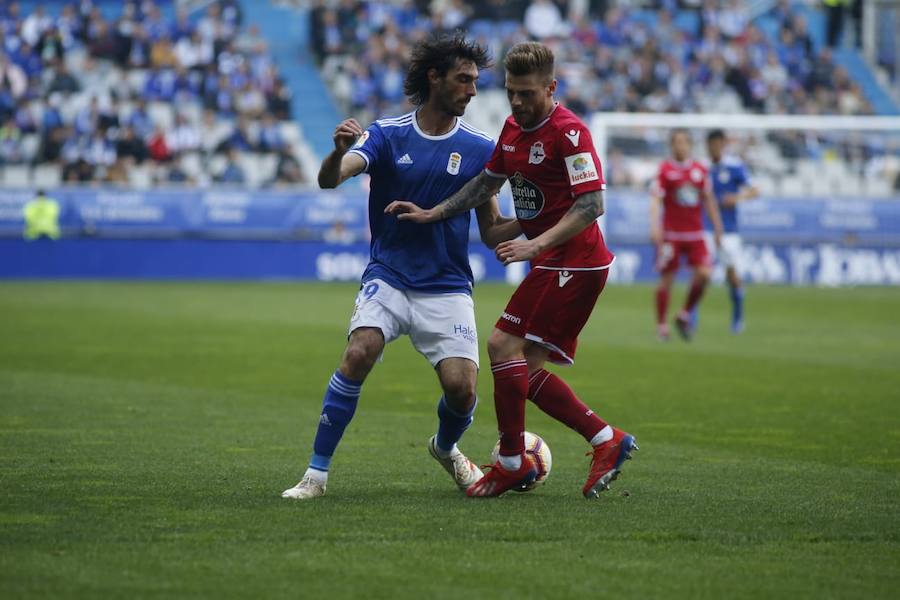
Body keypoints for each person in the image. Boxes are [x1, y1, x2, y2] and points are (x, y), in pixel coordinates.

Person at [386, 42, 637, 499]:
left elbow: (592, 204)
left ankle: (509, 462)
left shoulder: (570, 133)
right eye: (511, 93)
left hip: (574, 261)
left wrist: (534, 244)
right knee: (524, 371)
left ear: (551, 88)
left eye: (526, 94)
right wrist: (434, 213)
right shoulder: (512, 129)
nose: (517, 103)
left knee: (502, 345)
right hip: (554, 260)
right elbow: (486, 182)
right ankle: (607, 440)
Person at [281, 34, 517, 500]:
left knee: (461, 390)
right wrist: (337, 150)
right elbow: (331, 179)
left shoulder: (479, 149)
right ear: (435, 78)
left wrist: (538, 221)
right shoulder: (387, 134)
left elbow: (490, 232)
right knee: (358, 352)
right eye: (463, 80)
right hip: (388, 275)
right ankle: (315, 475)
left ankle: (446, 448)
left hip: (447, 285)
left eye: (475, 81)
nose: (473, 90)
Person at [650, 129, 724, 341]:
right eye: (676, 142)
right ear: (672, 146)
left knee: (705, 274)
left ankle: (684, 313)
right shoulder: (665, 170)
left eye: (683, 142)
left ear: (689, 145)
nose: (680, 146)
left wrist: (718, 227)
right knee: (667, 280)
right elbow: (655, 199)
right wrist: (654, 225)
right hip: (672, 235)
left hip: (695, 234)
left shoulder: (699, 170)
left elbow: (708, 200)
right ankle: (662, 325)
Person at [705, 130, 758, 334]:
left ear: (724, 144)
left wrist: (735, 199)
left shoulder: (734, 167)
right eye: (712, 144)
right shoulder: (703, 167)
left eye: (719, 143)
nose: (715, 147)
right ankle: (689, 319)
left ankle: (738, 316)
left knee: (732, 275)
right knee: (702, 274)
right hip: (705, 228)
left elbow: (755, 190)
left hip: (729, 230)